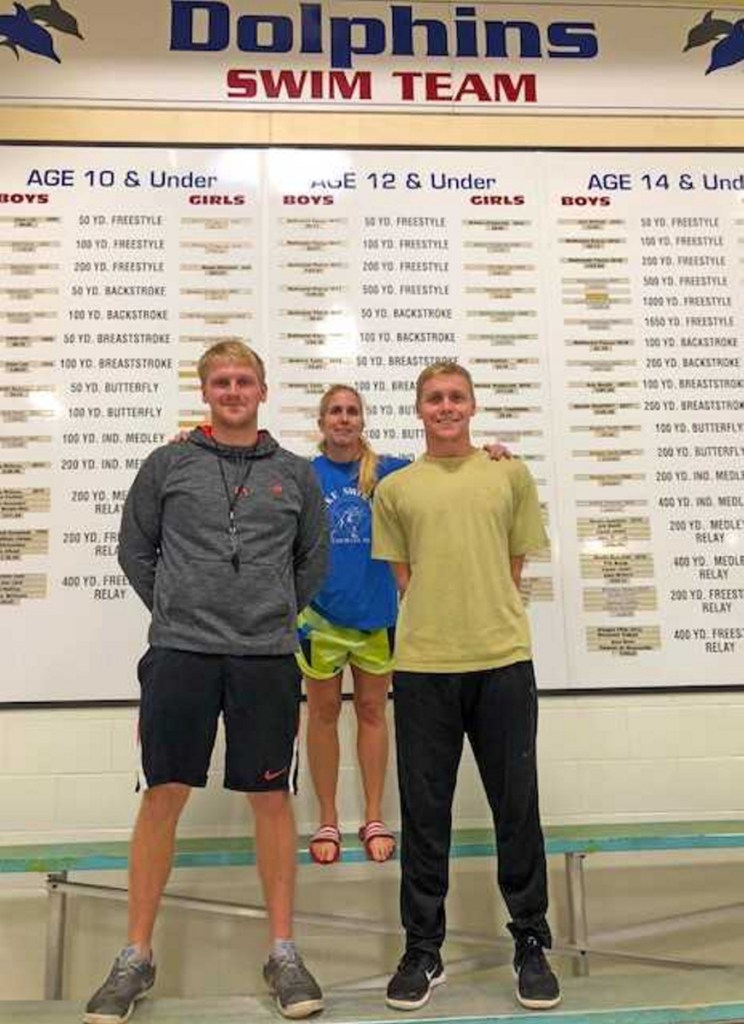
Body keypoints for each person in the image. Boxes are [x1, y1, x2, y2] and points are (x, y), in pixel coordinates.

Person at [83, 341, 329, 1024]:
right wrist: (178, 608)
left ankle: (282, 951)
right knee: (163, 794)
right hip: (180, 655)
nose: (232, 390)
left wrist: (271, 611)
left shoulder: (296, 474)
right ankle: (135, 957)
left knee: (271, 799)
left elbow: (312, 559)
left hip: (266, 658)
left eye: (243, 379)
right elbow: (136, 548)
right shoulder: (167, 464)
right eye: (220, 381)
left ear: (263, 389)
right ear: (205, 392)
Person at [372, 361, 560, 1013]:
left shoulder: (508, 472)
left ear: (473, 407)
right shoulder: (396, 489)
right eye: (434, 399)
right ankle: (423, 951)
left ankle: (531, 943)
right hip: (424, 668)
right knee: (425, 818)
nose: (446, 407)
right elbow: (404, 578)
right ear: (420, 411)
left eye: (456, 397)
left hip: (503, 661)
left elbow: (512, 564)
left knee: (518, 811)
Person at [300, 384, 512, 867]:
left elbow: (448, 463)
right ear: (321, 421)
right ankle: (327, 818)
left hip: (378, 617)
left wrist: (492, 453)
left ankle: (374, 816)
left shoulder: (390, 471)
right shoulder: (303, 474)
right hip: (319, 618)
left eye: (352, 411)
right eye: (335, 411)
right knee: (323, 715)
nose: (344, 419)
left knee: (374, 713)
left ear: (362, 420)